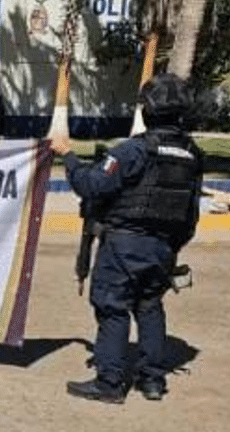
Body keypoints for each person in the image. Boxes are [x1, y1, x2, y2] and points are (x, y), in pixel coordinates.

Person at [50, 73, 203, 403]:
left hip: (124, 245)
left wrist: (69, 156)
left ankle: (109, 383)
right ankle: (152, 381)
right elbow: (191, 216)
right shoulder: (193, 156)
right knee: (150, 307)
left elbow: (91, 185)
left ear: (148, 111)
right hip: (163, 248)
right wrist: (170, 248)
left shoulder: (134, 151)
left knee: (112, 307)